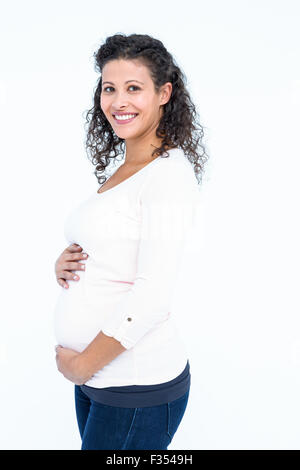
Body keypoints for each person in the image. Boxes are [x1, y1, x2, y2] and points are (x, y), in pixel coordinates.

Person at [53, 33, 208, 450]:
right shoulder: (130, 165)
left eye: (133, 88)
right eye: (109, 88)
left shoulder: (168, 177)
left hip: (134, 387)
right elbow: (116, 247)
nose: (118, 101)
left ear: (164, 93)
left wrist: (83, 365)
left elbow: (153, 296)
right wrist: (65, 263)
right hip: (102, 381)